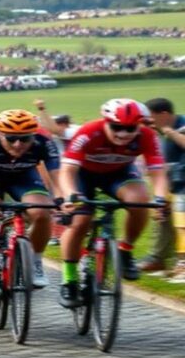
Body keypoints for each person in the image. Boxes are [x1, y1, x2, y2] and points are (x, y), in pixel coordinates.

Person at [58, 98, 168, 307]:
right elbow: (67, 171)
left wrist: (161, 198)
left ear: (139, 125)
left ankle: (125, 250)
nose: (123, 134)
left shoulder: (146, 135)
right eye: (116, 127)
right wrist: (70, 195)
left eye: (130, 128)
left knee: (139, 201)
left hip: (119, 174)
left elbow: (157, 172)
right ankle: (69, 279)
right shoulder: (89, 132)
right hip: (83, 176)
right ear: (105, 122)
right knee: (80, 222)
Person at [0, 109, 62, 288]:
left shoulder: (43, 143)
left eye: (25, 139)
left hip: (24, 179)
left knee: (42, 213)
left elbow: (58, 177)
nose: (18, 144)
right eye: (10, 138)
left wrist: (62, 199)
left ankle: (35, 261)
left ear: (33, 135)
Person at [143, 97, 185, 279]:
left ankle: (183, 265)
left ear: (164, 114)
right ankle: (158, 259)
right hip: (173, 181)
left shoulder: (181, 125)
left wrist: (170, 131)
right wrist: (160, 197)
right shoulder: (159, 133)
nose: (149, 122)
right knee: (161, 216)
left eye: (151, 117)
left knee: (182, 222)